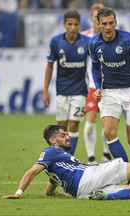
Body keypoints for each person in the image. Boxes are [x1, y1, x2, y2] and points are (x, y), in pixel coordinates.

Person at [2, 124, 130, 200]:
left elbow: (50, 186)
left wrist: (55, 191)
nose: (68, 137)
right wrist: (18, 193)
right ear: (53, 140)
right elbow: (31, 171)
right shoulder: (51, 151)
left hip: (82, 192)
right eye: (63, 135)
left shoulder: (57, 163)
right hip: (88, 176)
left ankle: (103, 196)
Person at [89, 7, 130, 184]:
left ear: (116, 23)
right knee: (109, 132)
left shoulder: (129, 40)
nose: (108, 27)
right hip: (109, 91)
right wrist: (97, 87)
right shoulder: (94, 44)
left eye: (111, 23)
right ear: (98, 24)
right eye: (104, 24)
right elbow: (95, 66)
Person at [42, 10, 89, 156]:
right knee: (61, 128)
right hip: (61, 91)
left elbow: (96, 64)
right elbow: (49, 66)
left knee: (74, 125)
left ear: (79, 25)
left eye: (76, 24)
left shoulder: (86, 42)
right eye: (70, 24)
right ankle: (61, 160)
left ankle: (70, 159)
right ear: (64, 25)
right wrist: (45, 91)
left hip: (80, 91)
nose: (73, 27)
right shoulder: (56, 41)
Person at [81, 3, 112, 163]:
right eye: (94, 16)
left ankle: (106, 154)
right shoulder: (84, 37)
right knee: (90, 121)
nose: (96, 20)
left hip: (110, 85)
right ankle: (91, 158)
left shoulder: (111, 37)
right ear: (92, 18)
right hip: (93, 85)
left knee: (108, 122)